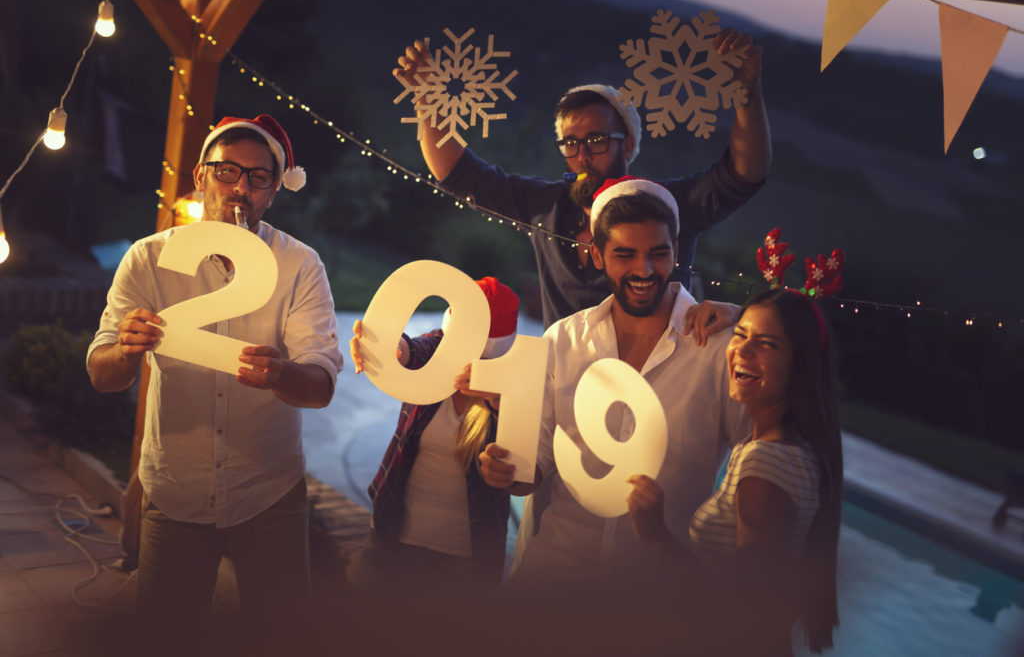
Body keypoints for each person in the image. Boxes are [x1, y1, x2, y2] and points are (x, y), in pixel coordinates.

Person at [86, 114, 344, 631]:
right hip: (175, 490)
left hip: (269, 492)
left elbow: (319, 388)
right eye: (227, 171)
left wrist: (282, 375)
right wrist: (128, 351)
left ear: (275, 190)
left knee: (282, 635)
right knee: (164, 634)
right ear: (201, 176)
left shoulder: (300, 265)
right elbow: (102, 372)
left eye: (259, 177)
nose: (241, 188)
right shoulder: (149, 259)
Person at [394, 28, 771, 329]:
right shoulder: (547, 205)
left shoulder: (664, 205)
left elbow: (744, 173)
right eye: (571, 144)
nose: (584, 155)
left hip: (659, 389)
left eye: (596, 140)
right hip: (565, 392)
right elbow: (458, 174)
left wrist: (747, 93)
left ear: (628, 145)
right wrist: (428, 100)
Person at [477, 176, 750, 584]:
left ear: (676, 252)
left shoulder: (719, 350)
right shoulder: (563, 340)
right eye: (625, 255)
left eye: (658, 254)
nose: (643, 270)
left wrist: (748, 318)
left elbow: (757, 461)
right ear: (597, 255)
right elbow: (531, 468)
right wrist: (504, 470)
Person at [626, 288, 843, 655]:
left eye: (767, 344)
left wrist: (656, 535)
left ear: (799, 364)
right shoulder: (800, 450)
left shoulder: (764, 466)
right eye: (740, 335)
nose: (742, 350)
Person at [347, 277, 520, 589]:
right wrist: (390, 347)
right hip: (388, 536)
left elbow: (525, 469)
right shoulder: (437, 346)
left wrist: (497, 401)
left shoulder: (518, 388)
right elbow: (414, 349)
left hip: (463, 563)